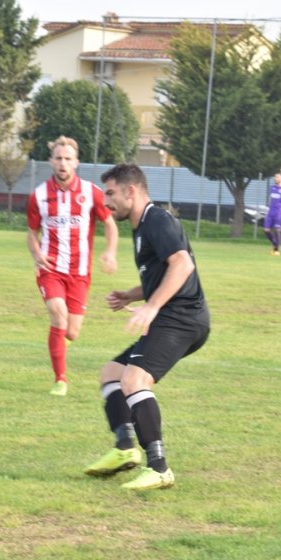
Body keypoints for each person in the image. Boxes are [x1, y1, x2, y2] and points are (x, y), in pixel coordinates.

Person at [84, 163, 210, 491]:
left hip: (182, 319)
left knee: (134, 378)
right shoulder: (141, 227)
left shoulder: (158, 220)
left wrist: (152, 307)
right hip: (172, 316)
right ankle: (125, 448)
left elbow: (183, 264)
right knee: (112, 373)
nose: (105, 201)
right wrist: (132, 294)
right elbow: (161, 274)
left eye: (110, 193)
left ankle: (159, 467)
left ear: (131, 191)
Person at [26, 136, 118, 396]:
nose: (63, 163)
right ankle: (60, 380)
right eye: (58, 158)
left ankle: (59, 342)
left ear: (76, 162)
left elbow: (110, 224)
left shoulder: (91, 193)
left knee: (72, 332)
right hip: (50, 269)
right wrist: (36, 253)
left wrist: (110, 252)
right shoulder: (39, 196)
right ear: (51, 161)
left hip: (79, 272)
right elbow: (32, 233)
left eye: (68, 159)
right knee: (58, 312)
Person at [263, 172, 281, 255]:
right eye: (275, 177)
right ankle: (275, 244)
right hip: (271, 211)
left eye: (277, 177)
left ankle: (277, 249)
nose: (275, 178)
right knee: (266, 230)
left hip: (279, 212)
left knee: (277, 230)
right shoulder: (272, 188)